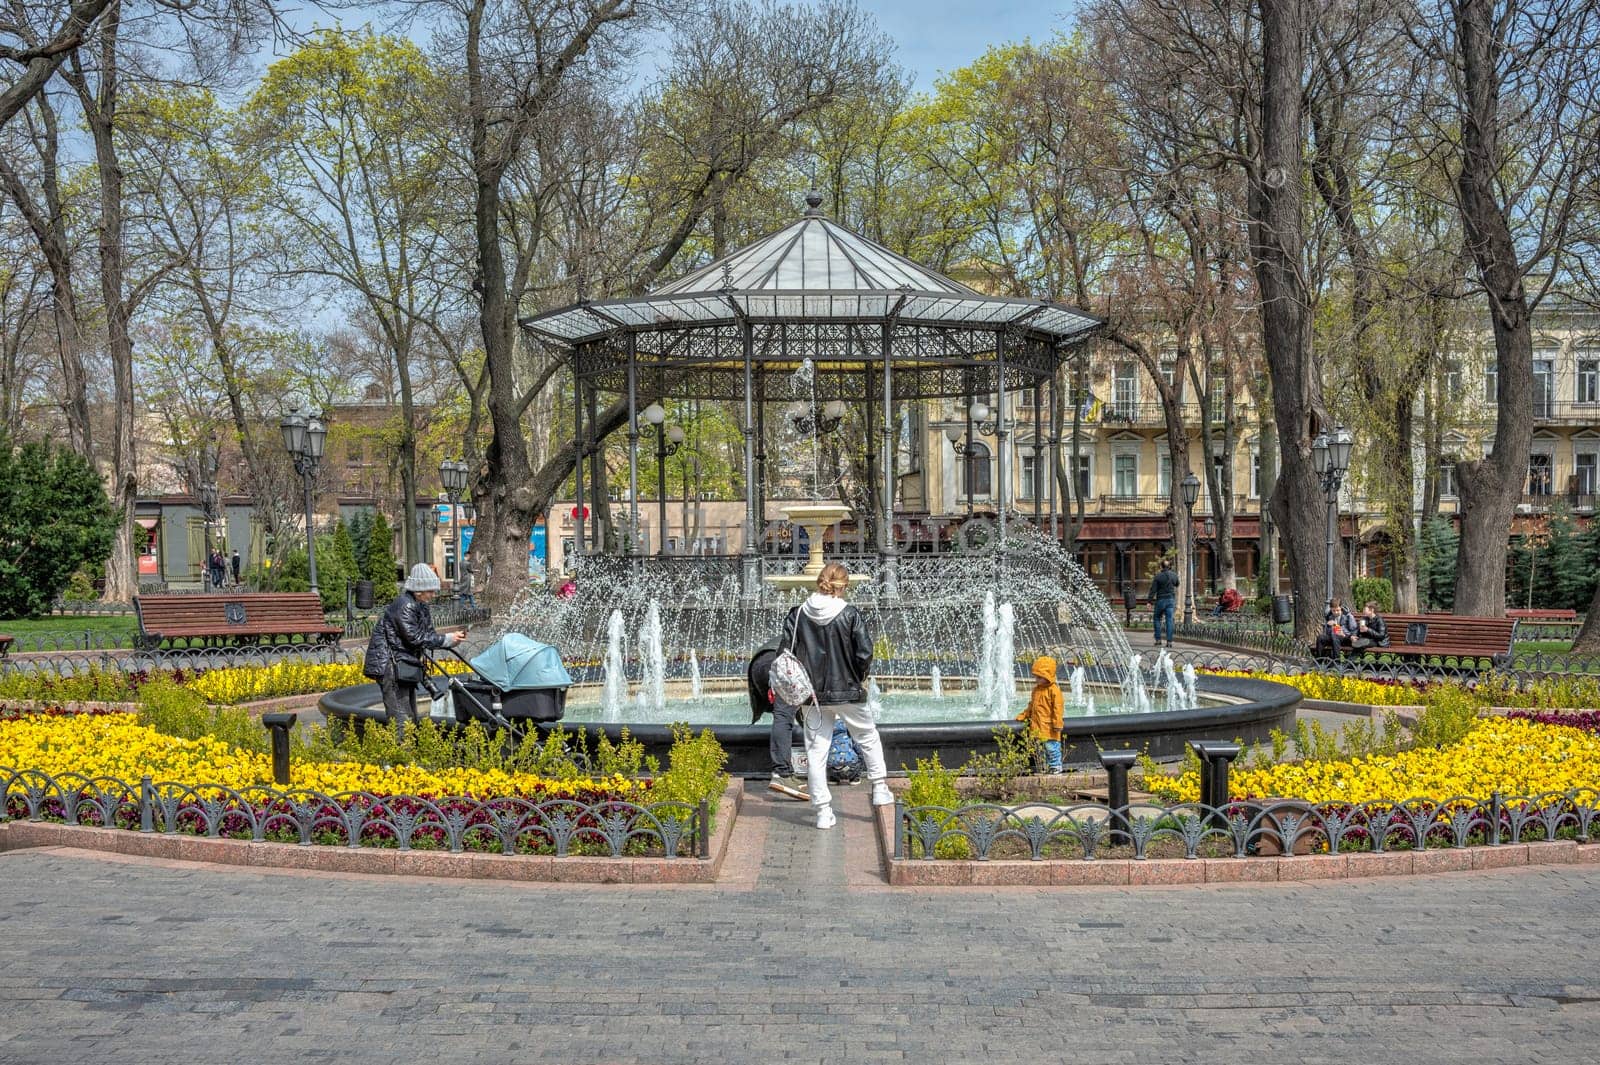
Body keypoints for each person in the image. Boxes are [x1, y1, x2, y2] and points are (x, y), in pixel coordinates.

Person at [780, 561, 893, 829]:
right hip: (848, 690)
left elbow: (786, 654)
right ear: (844, 586)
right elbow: (864, 653)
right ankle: (879, 789)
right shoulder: (850, 614)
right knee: (867, 736)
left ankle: (822, 812)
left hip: (812, 696)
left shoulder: (797, 615)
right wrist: (858, 677)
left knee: (816, 751)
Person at [363, 563, 467, 738]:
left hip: (403, 665)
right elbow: (416, 638)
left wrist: (451, 640)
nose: (433, 595)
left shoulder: (420, 605)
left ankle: (408, 756)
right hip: (391, 665)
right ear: (419, 590)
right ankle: (401, 760)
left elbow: (428, 633)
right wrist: (447, 639)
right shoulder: (405, 606)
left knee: (409, 716)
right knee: (401, 719)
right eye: (431, 591)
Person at [747, 643, 807, 800]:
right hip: (783, 663)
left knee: (784, 714)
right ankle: (782, 773)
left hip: (759, 663)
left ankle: (787, 770)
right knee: (784, 715)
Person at [1016, 655, 1064, 773]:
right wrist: (1025, 714)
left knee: (1051, 747)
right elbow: (1032, 705)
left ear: (1047, 676)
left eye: (1039, 677)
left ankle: (1055, 766)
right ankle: (1043, 766)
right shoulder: (1036, 690)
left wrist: (1057, 722)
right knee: (1040, 748)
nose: (1036, 679)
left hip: (1049, 727)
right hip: (1037, 726)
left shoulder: (1054, 690)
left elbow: (1058, 708)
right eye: (1036, 676)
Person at [1150, 559, 1180, 648]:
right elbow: (1177, 584)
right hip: (1170, 600)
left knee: (1157, 618)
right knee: (1169, 620)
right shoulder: (1174, 575)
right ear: (1170, 566)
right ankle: (1169, 641)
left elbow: (1153, 589)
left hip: (1160, 600)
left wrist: (1149, 601)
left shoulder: (1158, 576)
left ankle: (1158, 640)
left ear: (1161, 567)